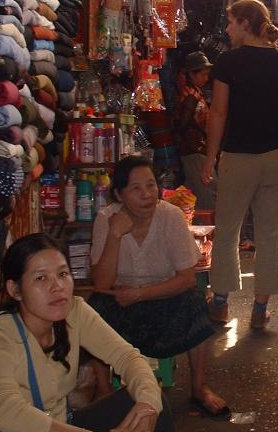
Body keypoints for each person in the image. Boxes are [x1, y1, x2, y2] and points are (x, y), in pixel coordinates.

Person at [0, 233, 171, 432]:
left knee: (151, 403)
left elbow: (127, 357)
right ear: (15, 290)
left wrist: (147, 405)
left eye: (63, 274)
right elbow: (4, 410)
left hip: (63, 424)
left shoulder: (74, 311)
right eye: (41, 278)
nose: (57, 286)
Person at [202, 0, 278, 329]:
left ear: (246, 24)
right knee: (268, 234)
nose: (226, 28)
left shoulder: (228, 62)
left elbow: (218, 113)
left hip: (238, 157)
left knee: (227, 231)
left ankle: (221, 304)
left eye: (231, 22)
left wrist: (210, 156)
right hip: (276, 158)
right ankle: (260, 310)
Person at [88, 156, 228, 419]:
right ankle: (104, 388)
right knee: (94, 307)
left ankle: (199, 387)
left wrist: (141, 294)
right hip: (121, 304)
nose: (147, 195)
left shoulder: (171, 216)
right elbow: (102, 283)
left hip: (164, 299)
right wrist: (115, 235)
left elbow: (186, 278)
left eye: (151, 186)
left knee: (195, 301)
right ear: (119, 194)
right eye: (136, 189)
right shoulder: (106, 219)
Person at [176, 50, 216, 210]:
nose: (206, 79)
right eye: (203, 75)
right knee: (208, 192)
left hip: (196, 149)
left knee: (194, 193)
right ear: (192, 74)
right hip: (194, 149)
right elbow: (183, 124)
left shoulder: (194, 93)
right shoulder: (191, 96)